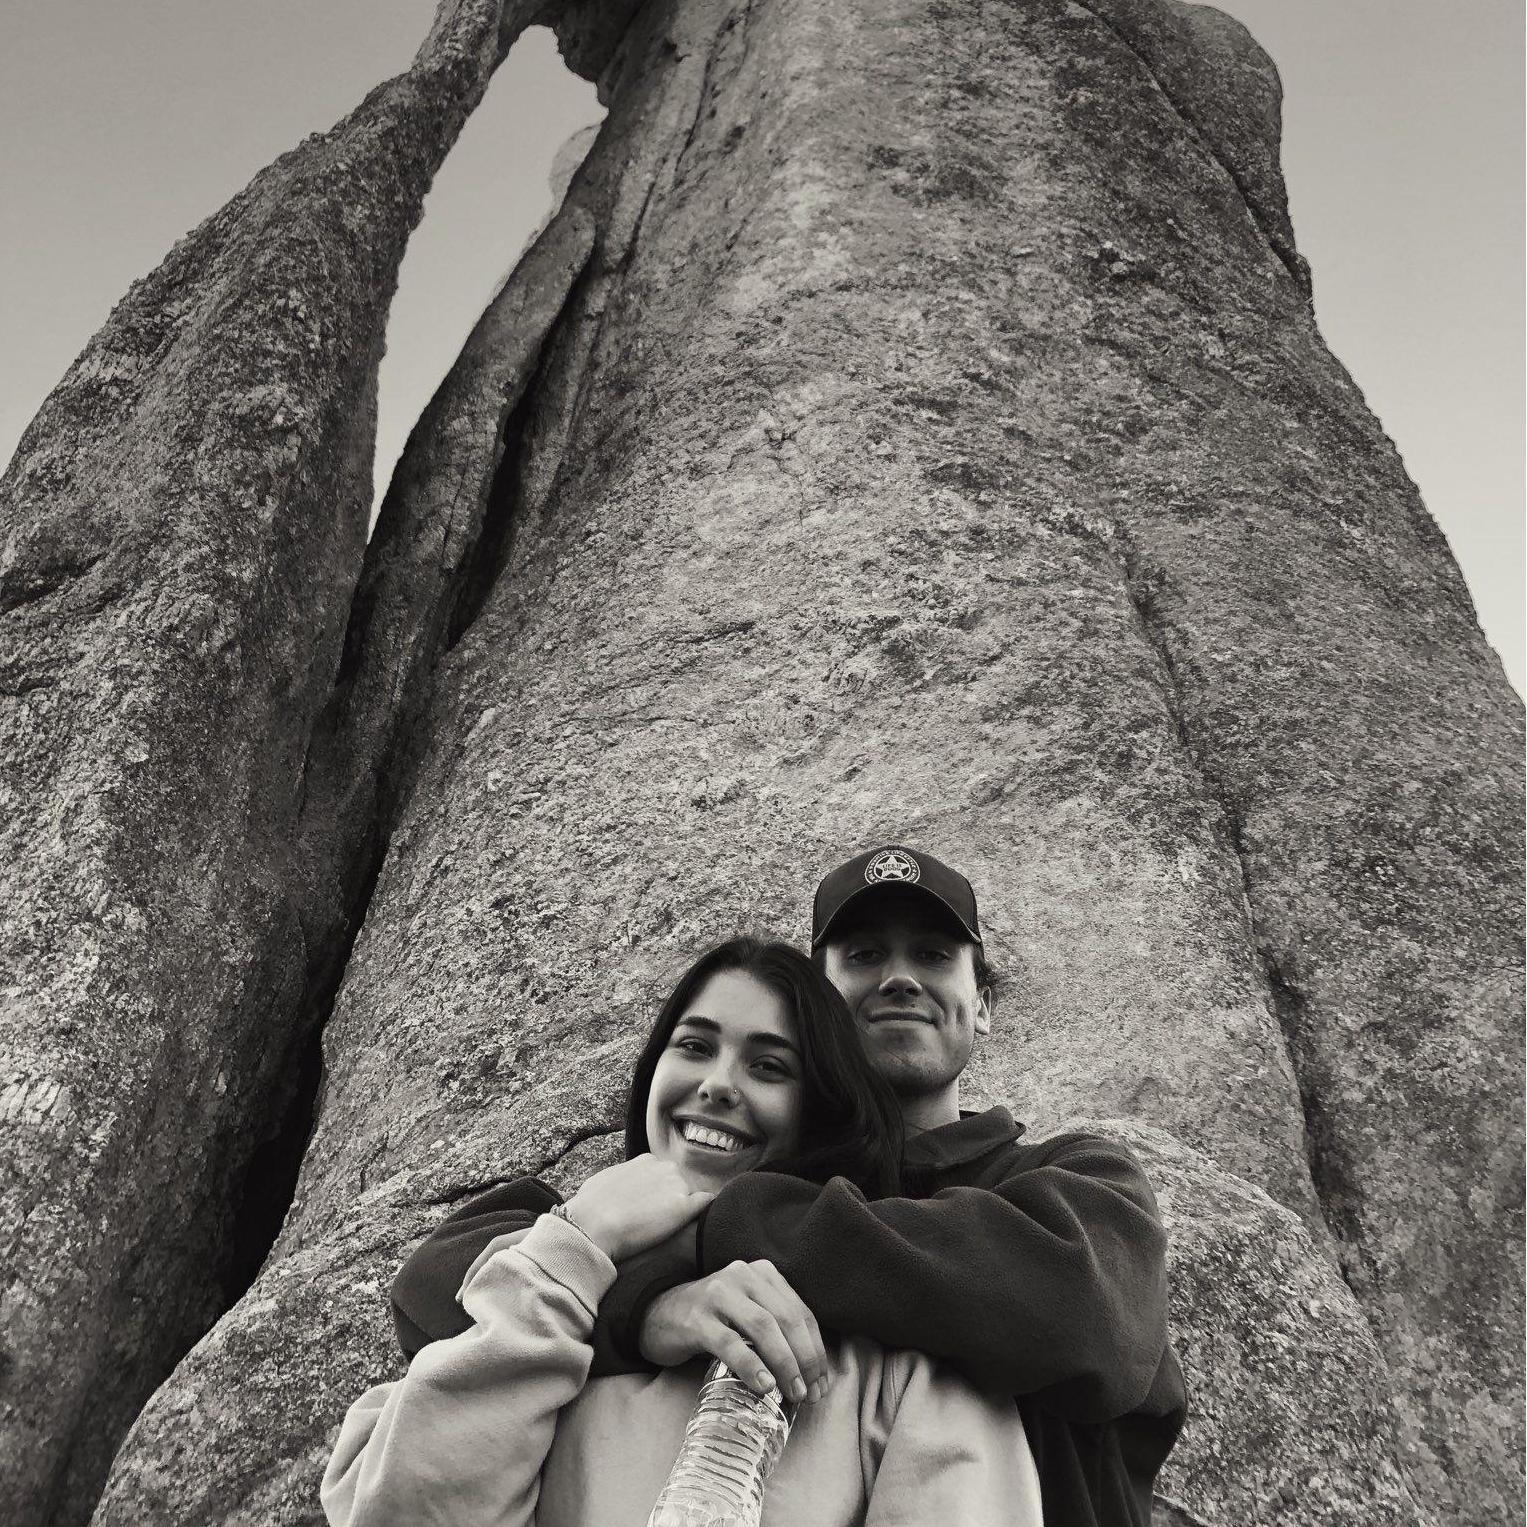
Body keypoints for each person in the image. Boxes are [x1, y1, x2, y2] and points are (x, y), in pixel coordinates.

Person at [393, 846, 1188, 1527]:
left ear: (980, 1002)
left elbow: (1079, 1314)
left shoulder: (1073, 1181)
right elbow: (437, 1281)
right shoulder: (737, 1164)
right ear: (818, 1006)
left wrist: (699, 1235)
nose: (901, 978)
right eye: (865, 954)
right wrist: (650, 1306)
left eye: (935, 956)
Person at [322, 936, 1044, 1526]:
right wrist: (579, 1243)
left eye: (768, 1065)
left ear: (818, 1112)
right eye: (694, 1046)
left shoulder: (901, 1370)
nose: (718, 1083)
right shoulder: (531, 1332)